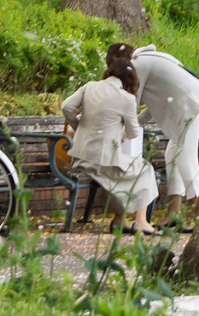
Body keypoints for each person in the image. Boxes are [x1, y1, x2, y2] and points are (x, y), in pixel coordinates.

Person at [63, 62, 160, 233]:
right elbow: (133, 133)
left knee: (126, 173)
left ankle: (119, 220)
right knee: (145, 169)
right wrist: (119, 131)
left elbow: (66, 107)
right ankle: (141, 221)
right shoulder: (127, 99)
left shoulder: (90, 86)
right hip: (102, 162)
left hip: (79, 157)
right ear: (130, 80)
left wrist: (79, 127)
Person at [125, 42, 199, 228]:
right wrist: (135, 123)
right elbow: (151, 106)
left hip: (190, 105)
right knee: (172, 155)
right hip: (191, 102)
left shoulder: (138, 65)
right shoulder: (155, 58)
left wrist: (126, 124)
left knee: (186, 158)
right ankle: (173, 214)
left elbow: (131, 102)